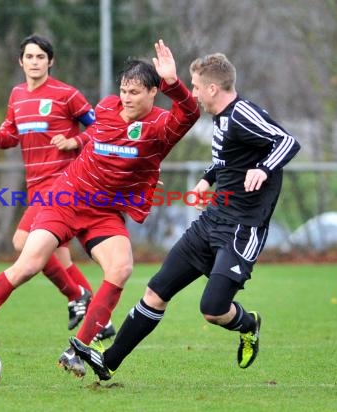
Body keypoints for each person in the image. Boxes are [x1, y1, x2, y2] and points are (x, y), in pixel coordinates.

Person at [0, 39, 201, 374]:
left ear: (154, 92)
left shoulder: (163, 125)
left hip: (104, 212)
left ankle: (77, 351)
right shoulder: (107, 107)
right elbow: (96, 140)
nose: (126, 97)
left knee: (121, 269)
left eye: (135, 92)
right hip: (67, 198)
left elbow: (191, 112)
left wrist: (173, 81)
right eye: (124, 89)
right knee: (28, 264)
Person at [70, 52, 301, 381]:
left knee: (213, 309)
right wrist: (207, 180)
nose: (192, 93)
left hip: (242, 228)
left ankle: (249, 325)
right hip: (212, 219)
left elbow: (287, 141)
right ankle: (108, 362)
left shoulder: (242, 114)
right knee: (155, 292)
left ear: (211, 89)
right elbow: (227, 159)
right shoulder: (221, 119)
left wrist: (263, 170)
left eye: (194, 87)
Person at [0, 34, 114, 336]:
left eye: (41, 57)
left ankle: (78, 296)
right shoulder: (17, 96)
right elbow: (10, 136)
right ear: (21, 61)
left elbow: (103, 129)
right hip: (36, 186)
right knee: (59, 257)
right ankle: (98, 320)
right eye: (29, 57)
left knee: (22, 243)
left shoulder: (66, 94)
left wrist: (74, 140)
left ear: (50, 61)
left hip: (64, 183)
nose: (35, 62)